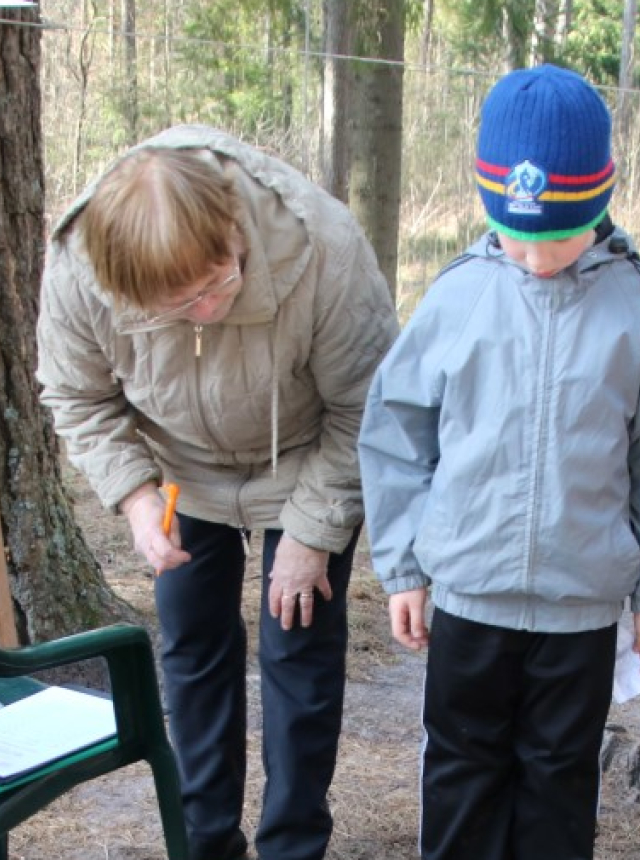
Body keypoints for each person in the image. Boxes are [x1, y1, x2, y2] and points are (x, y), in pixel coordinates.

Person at [36, 125, 399, 860]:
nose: (204, 312)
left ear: (234, 230)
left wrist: (312, 533)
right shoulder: (81, 269)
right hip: (181, 472)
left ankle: (293, 846)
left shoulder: (321, 246)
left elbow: (367, 405)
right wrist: (136, 496)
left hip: (305, 455)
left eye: (216, 285)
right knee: (193, 647)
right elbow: (77, 397)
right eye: (178, 304)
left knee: (298, 650)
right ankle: (203, 844)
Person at [358, 64, 640, 860]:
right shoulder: (457, 295)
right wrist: (403, 567)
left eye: (561, 235)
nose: (538, 258)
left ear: (601, 202)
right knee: (463, 774)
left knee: (558, 779)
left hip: (579, 608)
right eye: (518, 234)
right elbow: (397, 434)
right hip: (470, 599)